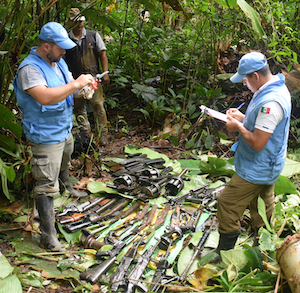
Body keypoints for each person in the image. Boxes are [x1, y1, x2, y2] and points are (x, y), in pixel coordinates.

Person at [13, 22, 96, 252]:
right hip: (45, 135)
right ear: (46, 46)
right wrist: (77, 84)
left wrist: (84, 89)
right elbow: (45, 97)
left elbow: (70, 88)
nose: (64, 52)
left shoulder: (57, 63)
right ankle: (48, 236)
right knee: (45, 184)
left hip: (62, 128)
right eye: (61, 48)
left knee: (66, 157)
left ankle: (65, 186)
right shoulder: (29, 69)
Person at [213, 52, 291, 262]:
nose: (245, 84)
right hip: (269, 163)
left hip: (258, 166)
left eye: (246, 79)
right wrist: (244, 118)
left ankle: (224, 252)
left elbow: (258, 141)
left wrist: (237, 127)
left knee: (227, 203)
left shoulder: (271, 102)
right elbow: (266, 126)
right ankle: (264, 247)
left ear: (256, 75)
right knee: (261, 205)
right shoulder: (273, 87)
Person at [64, 8, 110, 145]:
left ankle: (102, 136)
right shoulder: (66, 39)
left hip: (94, 78)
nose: (79, 24)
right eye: (76, 21)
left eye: (81, 21)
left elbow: (102, 54)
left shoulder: (93, 35)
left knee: (98, 105)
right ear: (70, 22)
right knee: (79, 109)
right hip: (76, 80)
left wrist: (105, 73)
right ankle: (85, 137)